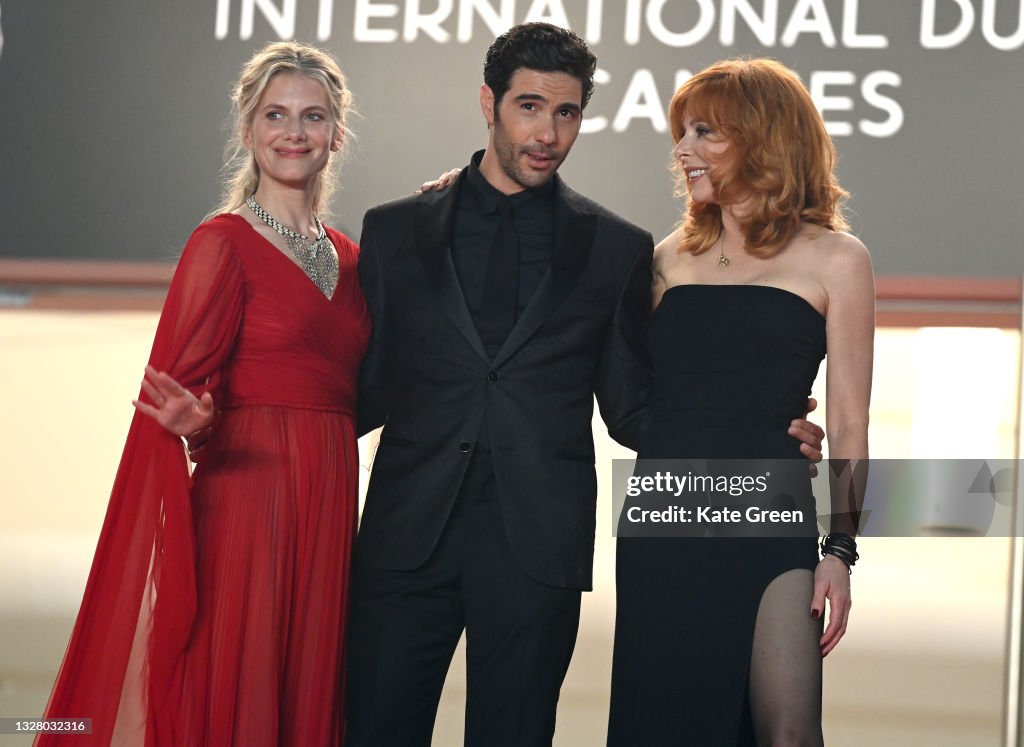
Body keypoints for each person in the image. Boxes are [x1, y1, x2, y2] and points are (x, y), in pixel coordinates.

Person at [345, 27, 824, 747]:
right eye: (529, 107)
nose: (548, 131)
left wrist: (756, 427)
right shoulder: (394, 230)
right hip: (404, 538)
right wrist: (235, 422)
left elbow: (637, 409)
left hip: (538, 548)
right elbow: (363, 386)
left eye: (566, 113)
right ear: (489, 102)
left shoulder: (618, 249)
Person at [36, 42, 368, 746]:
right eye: (274, 115)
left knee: (307, 686)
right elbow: (175, 394)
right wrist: (196, 427)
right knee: (237, 687)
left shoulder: (351, 257)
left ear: (337, 133)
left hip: (331, 497)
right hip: (248, 499)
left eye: (313, 117)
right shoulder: (221, 242)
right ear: (248, 131)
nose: (294, 132)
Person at [607, 58, 873, 745]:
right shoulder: (663, 259)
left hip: (771, 510)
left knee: (788, 731)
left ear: (764, 137)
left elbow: (848, 421)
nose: (683, 149)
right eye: (682, 132)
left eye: (705, 132)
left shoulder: (838, 259)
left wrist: (840, 548)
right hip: (666, 510)